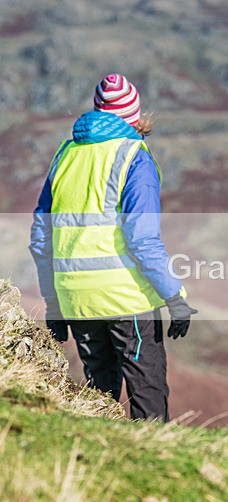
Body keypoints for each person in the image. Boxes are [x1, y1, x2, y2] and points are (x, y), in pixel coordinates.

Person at [29, 73, 197, 422]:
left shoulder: (65, 155)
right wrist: (175, 297)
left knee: (97, 395)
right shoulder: (135, 156)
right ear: (135, 116)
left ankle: (94, 455)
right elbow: (142, 239)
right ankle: (153, 454)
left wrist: (54, 303)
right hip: (126, 299)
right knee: (147, 393)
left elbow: (41, 237)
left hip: (77, 299)